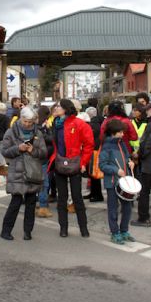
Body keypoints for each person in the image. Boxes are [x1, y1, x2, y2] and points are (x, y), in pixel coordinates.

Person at [0, 107, 48, 241]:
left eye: (30, 122)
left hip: (33, 172)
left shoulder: (37, 133)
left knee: (31, 203)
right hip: (17, 172)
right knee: (15, 202)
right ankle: (6, 231)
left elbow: (44, 153)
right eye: (25, 121)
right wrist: (18, 148)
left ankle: (28, 231)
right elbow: (4, 151)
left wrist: (33, 150)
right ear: (21, 118)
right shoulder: (11, 132)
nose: (27, 124)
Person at [49, 99, 93, 238]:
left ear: (66, 109)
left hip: (75, 164)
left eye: (59, 106)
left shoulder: (79, 123)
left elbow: (88, 144)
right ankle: (63, 228)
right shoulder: (55, 123)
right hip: (60, 163)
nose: (56, 108)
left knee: (77, 197)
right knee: (61, 198)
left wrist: (83, 163)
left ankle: (83, 228)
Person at [98, 119, 136, 244]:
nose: (122, 135)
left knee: (127, 207)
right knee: (113, 209)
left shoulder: (121, 143)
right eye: (120, 132)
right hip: (113, 182)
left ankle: (124, 230)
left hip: (125, 182)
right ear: (112, 132)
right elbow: (102, 165)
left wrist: (129, 162)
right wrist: (116, 170)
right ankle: (115, 233)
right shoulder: (106, 146)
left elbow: (126, 157)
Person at [35, 105, 55, 218]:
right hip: (41, 158)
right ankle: (42, 206)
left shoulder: (42, 126)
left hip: (43, 157)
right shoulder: (39, 128)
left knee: (43, 182)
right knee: (44, 183)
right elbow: (49, 139)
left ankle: (41, 204)